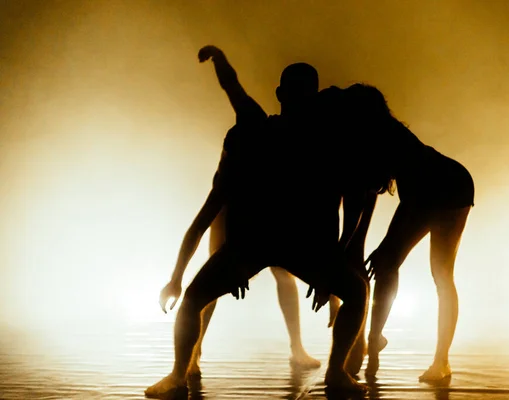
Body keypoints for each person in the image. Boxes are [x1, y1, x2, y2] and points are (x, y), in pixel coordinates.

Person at [144, 52, 377, 400]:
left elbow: (345, 205)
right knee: (357, 292)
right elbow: (215, 210)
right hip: (264, 241)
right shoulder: (257, 132)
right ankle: (334, 372)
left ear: (283, 94)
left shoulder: (317, 140)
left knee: (193, 299)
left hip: (286, 242)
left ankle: (334, 372)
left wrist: (179, 277)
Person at [184, 46, 322, 379]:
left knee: (283, 274)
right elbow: (233, 87)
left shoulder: (302, 134)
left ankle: (297, 347)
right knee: (214, 275)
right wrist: (220, 59)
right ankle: (194, 350)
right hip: (231, 206)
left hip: (262, 210)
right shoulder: (255, 123)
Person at [339, 84, 475, 382]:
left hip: (451, 188)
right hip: (425, 194)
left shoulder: (387, 136)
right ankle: (374, 340)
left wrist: (383, 243)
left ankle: (441, 361)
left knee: (440, 274)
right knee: (386, 262)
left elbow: (414, 200)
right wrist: (360, 243)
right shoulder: (368, 139)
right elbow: (369, 195)